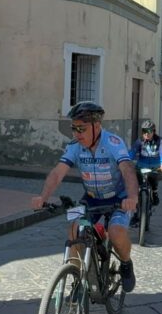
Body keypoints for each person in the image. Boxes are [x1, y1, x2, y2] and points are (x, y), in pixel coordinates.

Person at [30, 102, 139, 292]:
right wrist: (43, 197)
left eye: (82, 128)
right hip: (90, 197)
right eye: (73, 128)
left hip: (118, 198)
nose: (77, 133)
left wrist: (132, 197)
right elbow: (57, 173)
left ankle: (126, 264)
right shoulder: (74, 146)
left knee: (116, 233)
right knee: (73, 229)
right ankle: (77, 279)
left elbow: (128, 170)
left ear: (97, 127)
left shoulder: (113, 142)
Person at [129, 120, 162, 214]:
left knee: (153, 180)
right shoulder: (139, 141)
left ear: (153, 131)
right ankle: (136, 213)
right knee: (136, 188)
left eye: (149, 131)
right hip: (141, 166)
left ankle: (155, 192)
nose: (146, 134)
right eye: (144, 131)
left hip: (154, 166)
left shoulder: (159, 140)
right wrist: (125, 161)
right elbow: (132, 152)